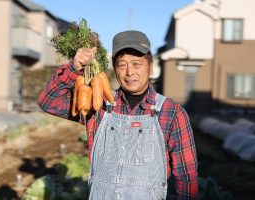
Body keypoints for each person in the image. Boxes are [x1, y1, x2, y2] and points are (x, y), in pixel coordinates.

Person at [38, 30, 198, 199]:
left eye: (137, 64)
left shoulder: (171, 112)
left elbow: (186, 176)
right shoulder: (98, 105)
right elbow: (48, 102)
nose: (129, 72)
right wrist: (74, 68)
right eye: (122, 65)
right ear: (114, 69)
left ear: (150, 68)